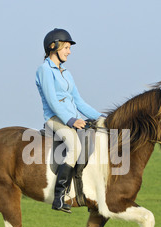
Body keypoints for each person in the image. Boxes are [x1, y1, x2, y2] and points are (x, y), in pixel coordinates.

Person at [36, 28, 104, 213]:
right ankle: (58, 197)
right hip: (55, 119)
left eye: (69, 48)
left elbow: (79, 101)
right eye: (66, 47)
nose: (69, 51)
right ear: (53, 47)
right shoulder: (44, 70)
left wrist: (101, 118)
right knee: (75, 146)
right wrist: (71, 120)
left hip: (72, 119)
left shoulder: (66, 73)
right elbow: (51, 99)